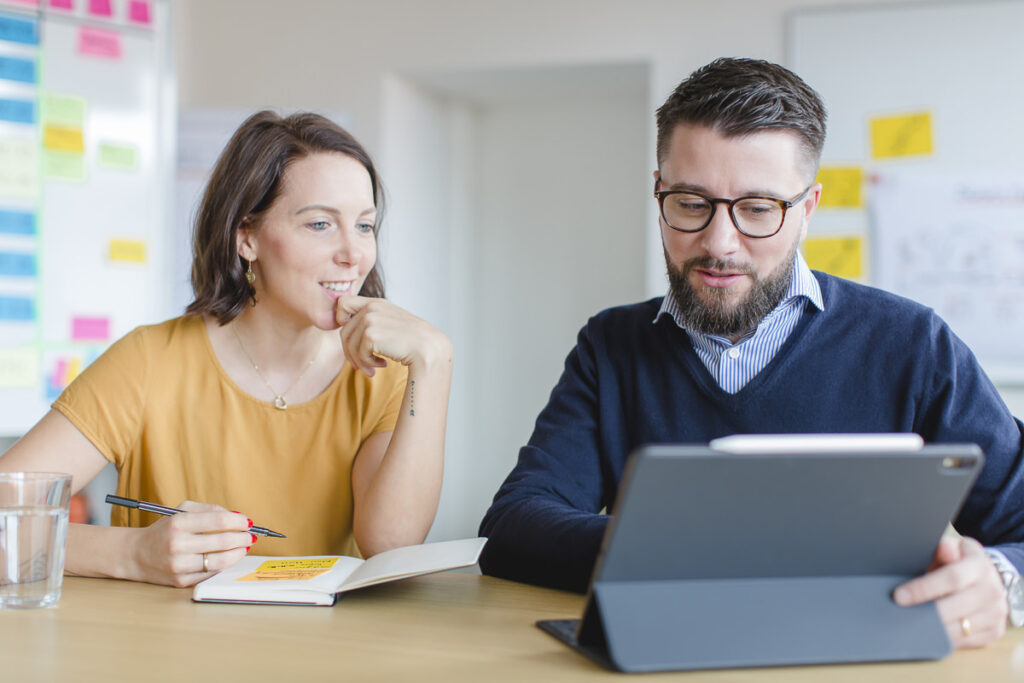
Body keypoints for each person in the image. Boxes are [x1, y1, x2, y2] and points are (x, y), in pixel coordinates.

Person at [478, 58, 1024, 649]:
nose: (719, 243)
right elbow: (514, 525)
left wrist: (998, 580)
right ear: (658, 189)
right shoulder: (612, 347)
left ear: (808, 209)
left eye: (758, 210)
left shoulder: (913, 344)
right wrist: (680, 547)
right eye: (690, 203)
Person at [0, 111, 453, 587]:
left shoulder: (382, 374)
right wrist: (131, 553)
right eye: (321, 224)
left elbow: (392, 545)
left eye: (365, 226)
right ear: (247, 238)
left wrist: (434, 361)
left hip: (321, 656)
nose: (353, 254)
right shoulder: (149, 361)